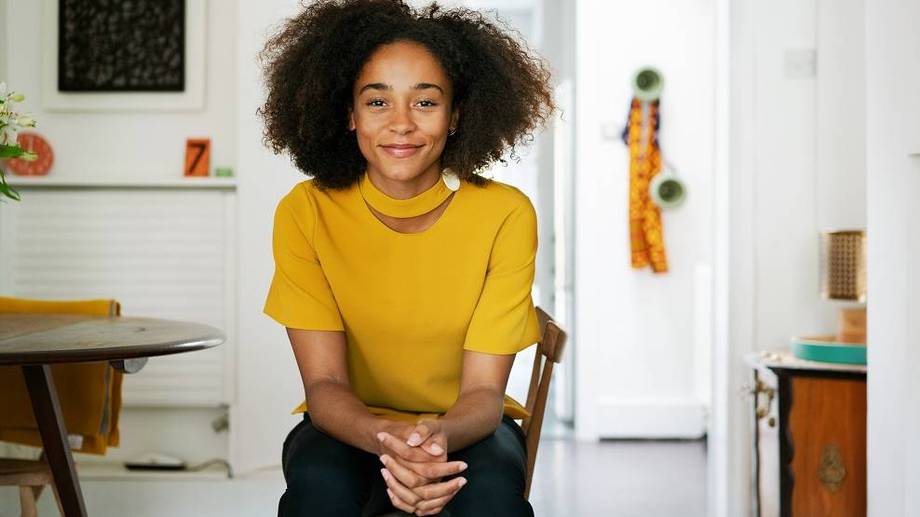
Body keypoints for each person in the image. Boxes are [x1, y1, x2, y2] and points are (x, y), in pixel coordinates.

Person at [259, 1, 555, 515]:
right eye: (377, 102)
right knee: (318, 486)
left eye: (425, 102)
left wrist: (433, 438)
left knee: (491, 499)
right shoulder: (306, 212)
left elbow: (484, 393)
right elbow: (325, 385)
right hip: (349, 423)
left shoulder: (505, 214)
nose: (401, 124)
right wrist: (387, 437)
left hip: (467, 424)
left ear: (457, 114)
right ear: (349, 114)